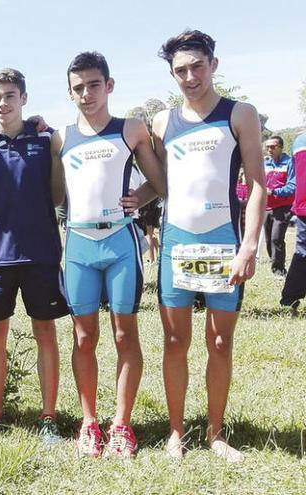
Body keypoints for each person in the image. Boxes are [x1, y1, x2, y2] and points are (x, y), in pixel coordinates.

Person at [153, 30, 266, 462]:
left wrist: (250, 245)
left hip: (223, 242)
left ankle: (216, 434)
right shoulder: (163, 122)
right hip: (177, 243)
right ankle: (176, 432)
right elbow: (160, 180)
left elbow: (257, 183)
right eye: (180, 70)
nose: (189, 76)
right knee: (175, 340)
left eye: (197, 66)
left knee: (220, 343)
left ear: (213, 65)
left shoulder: (240, 114)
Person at [58, 52, 165, 458]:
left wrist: (140, 195)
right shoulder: (61, 137)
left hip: (121, 243)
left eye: (94, 85)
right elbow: (54, 191)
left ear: (109, 85)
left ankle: (121, 423)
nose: (87, 94)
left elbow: (160, 182)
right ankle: (89, 422)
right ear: (70, 92)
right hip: (79, 245)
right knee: (84, 337)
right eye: (78, 88)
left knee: (124, 335)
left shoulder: (131, 129)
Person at [0, 68, 68, 443]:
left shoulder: (45, 140)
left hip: (41, 254)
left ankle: (49, 416)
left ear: (23, 98)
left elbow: (58, 195)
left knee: (45, 333)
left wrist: (51, 135)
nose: (2, 104)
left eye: (9, 96)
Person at [280, 132, 306, 310]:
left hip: (303, 203)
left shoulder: (299, 140)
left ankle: (290, 297)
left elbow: (295, 176)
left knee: (302, 251)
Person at [263, 135, 295, 276]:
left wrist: (274, 191)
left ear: (281, 148)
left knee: (277, 238)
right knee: (269, 239)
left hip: (283, 207)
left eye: (273, 147)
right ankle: (274, 264)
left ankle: (279, 270)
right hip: (266, 207)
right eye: (267, 147)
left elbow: (293, 186)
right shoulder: (265, 163)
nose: (269, 149)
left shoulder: (289, 163)